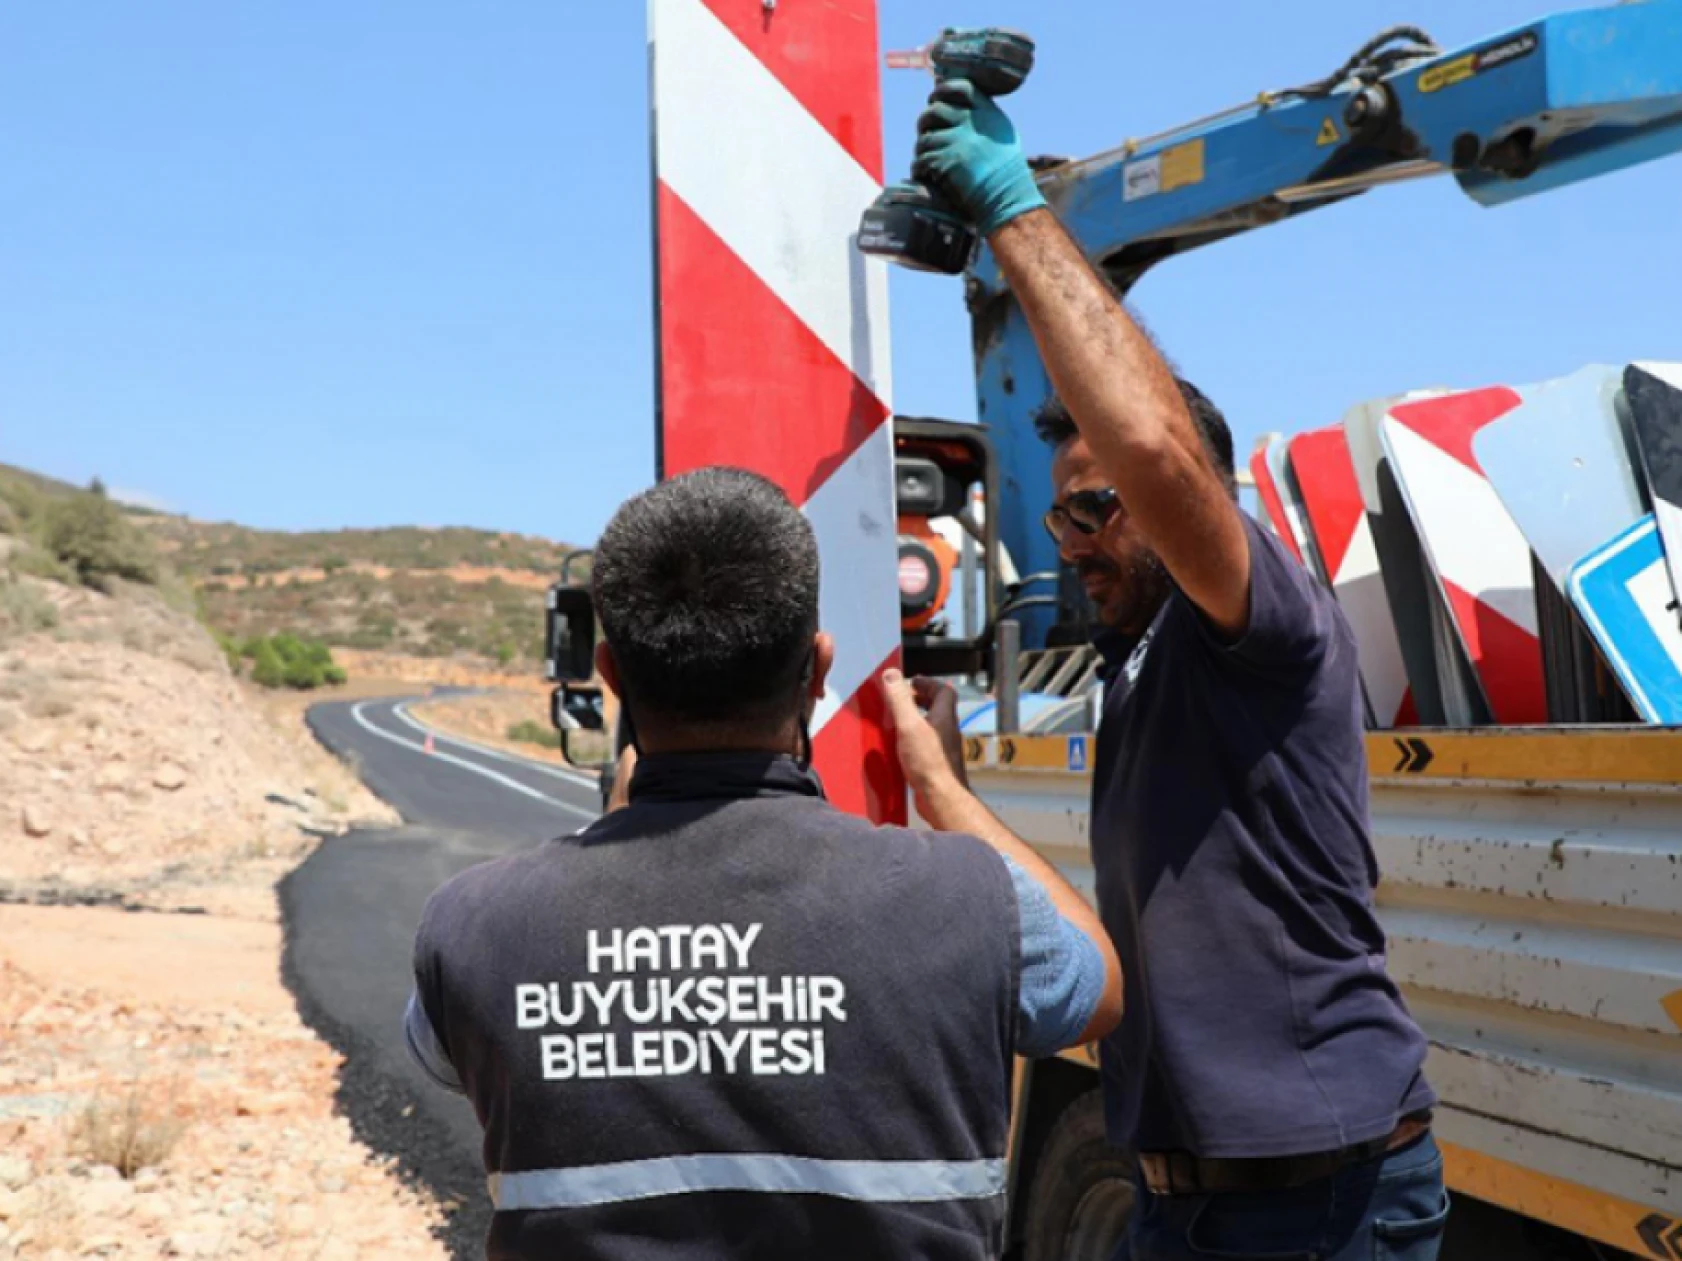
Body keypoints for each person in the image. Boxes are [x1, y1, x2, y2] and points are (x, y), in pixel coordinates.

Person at [905, 76, 1448, 1260]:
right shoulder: (1141, 673)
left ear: (1189, 500)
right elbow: (1091, 955)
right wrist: (943, 790)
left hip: (1317, 1206)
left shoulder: (1262, 630)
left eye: (1100, 509)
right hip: (1180, 1202)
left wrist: (1008, 206)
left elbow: (1151, 444)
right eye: (1060, 518)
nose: (1074, 542)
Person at [402, 466, 1123, 1261]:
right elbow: (1098, 985)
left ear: (611, 677)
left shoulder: (475, 925)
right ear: (817, 671)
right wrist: (944, 789)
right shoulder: (971, 898)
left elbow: (446, 1052)